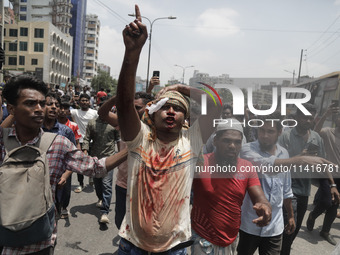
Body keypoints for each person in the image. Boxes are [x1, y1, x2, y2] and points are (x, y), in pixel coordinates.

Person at [115, 5, 220, 254]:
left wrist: (182, 88)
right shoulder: (139, 139)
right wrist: (132, 52)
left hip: (175, 247)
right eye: (165, 107)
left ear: (186, 117)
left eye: (178, 108)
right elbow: (123, 103)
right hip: (132, 245)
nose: (171, 111)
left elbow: (215, 105)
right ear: (153, 113)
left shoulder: (191, 141)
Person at [0, 75, 127, 255]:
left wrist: (131, 148)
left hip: (39, 240)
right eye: (30, 103)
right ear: (11, 108)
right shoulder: (2, 141)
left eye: (42, 104)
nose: (39, 109)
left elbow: (96, 167)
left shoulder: (58, 143)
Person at [191, 119, 272, 255]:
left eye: (237, 142)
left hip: (231, 239)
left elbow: (260, 198)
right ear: (215, 141)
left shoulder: (247, 167)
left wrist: (265, 207)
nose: (232, 146)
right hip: (202, 237)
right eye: (226, 141)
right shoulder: (201, 163)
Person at [278, 103, 340, 255]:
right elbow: (277, 165)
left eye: (310, 118)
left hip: (304, 191)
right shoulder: (285, 136)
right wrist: (300, 157)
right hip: (287, 189)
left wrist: (332, 184)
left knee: (296, 228)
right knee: (288, 228)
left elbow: (322, 162)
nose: (307, 121)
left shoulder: (316, 137)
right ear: (297, 117)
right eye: (304, 117)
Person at [237, 113, 295, 255]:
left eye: (270, 131)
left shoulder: (284, 154)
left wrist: (291, 216)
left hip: (274, 226)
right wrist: (300, 160)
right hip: (249, 223)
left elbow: (286, 190)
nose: (264, 135)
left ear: (279, 132)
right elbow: (267, 166)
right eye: (262, 130)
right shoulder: (246, 150)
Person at [97, 91, 154, 229]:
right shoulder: (124, 124)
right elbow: (102, 113)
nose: (133, 112)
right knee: (120, 222)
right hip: (123, 185)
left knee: (142, 226)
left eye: (137, 108)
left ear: (149, 109)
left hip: (147, 187)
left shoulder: (158, 128)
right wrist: (117, 97)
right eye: (131, 107)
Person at [306, 103, 340, 245]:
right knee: (326, 200)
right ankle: (313, 215)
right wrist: (325, 115)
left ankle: (325, 231)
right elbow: (315, 131)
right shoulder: (328, 132)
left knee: (335, 204)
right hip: (326, 173)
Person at [42, 93, 76, 219]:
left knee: (53, 217)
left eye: (57, 105)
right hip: (36, 182)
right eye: (49, 104)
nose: (54, 107)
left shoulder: (66, 131)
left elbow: (73, 158)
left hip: (58, 182)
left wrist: (65, 175)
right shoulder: (33, 129)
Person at [82, 111, 120, 224]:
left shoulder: (114, 124)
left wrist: (120, 157)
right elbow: (87, 138)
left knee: (106, 185)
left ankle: (104, 212)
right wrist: (84, 152)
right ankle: (100, 198)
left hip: (109, 159)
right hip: (95, 158)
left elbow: (118, 140)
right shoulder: (92, 123)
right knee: (98, 184)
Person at [70, 93, 98, 192]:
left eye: (86, 100)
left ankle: (91, 177)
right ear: (79, 102)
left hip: (92, 141)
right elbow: (63, 110)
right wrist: (72, 99)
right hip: (79, 142)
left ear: (89, 102)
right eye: (82, 100)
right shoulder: (74, 112)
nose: (85, 102)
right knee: (79, 164)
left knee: (93, 161)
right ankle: (80, 184)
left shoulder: (94, 113)